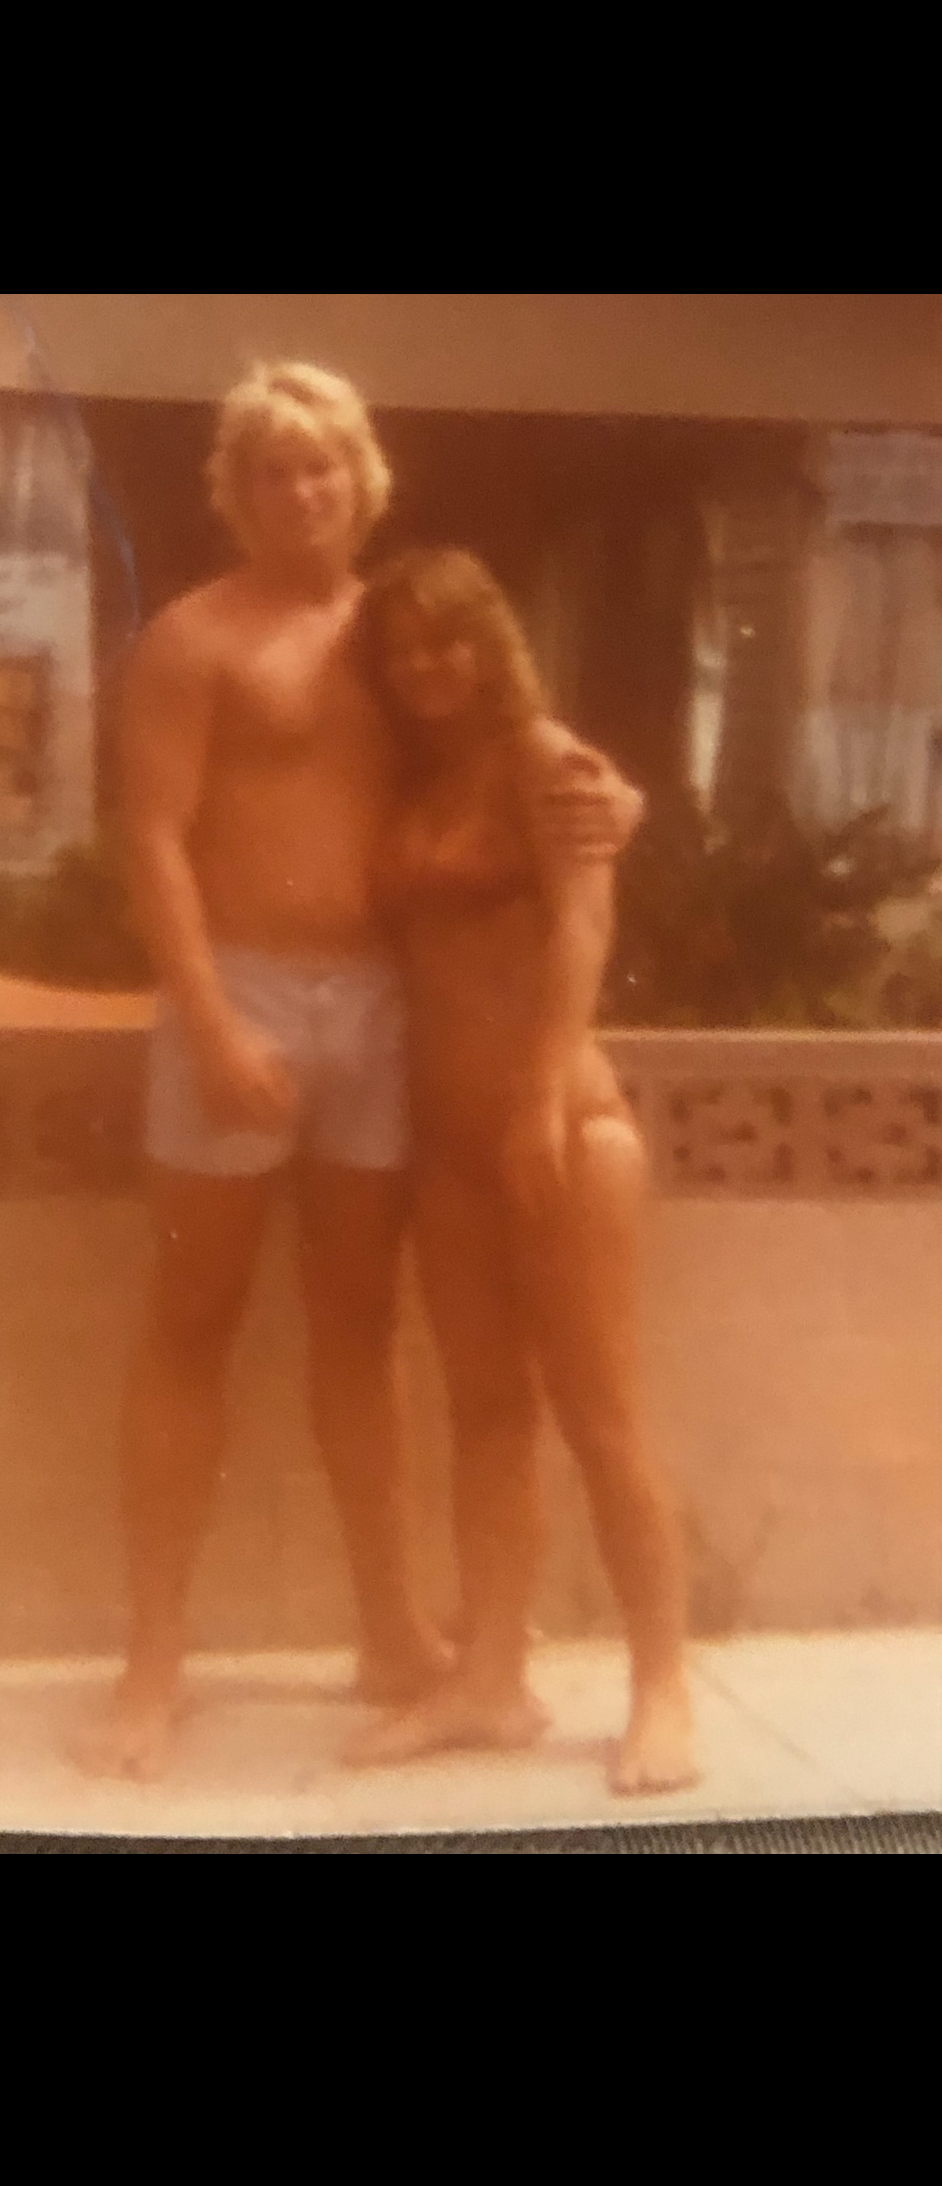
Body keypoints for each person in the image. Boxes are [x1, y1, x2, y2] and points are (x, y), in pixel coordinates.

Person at [75, 366, 643, 1781]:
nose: (299, 492)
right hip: (242, 993)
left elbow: (509, 750)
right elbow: (152, 841)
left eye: (321, 466)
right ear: (235, 492)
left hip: (381, 1012)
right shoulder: (193, 639)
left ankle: (391, 1629)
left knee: (359, 1326)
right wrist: (212, 1023)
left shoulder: (399, 636)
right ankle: (154, 1663)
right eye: (271, 471)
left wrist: (608, 802)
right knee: (192, 1318)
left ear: (363, 480)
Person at [346, 547, 696, 1794]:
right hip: (450, 1151)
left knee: (601, 1417)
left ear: (491, 640)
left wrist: (543, 1090)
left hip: (558, 1133)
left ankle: (663, 1689)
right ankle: (491, 1677)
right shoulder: (414, 780)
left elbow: (587, 921)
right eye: (402, 650)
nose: (425, 667)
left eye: (447, 639)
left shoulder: (545, 759)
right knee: (486, 1414)